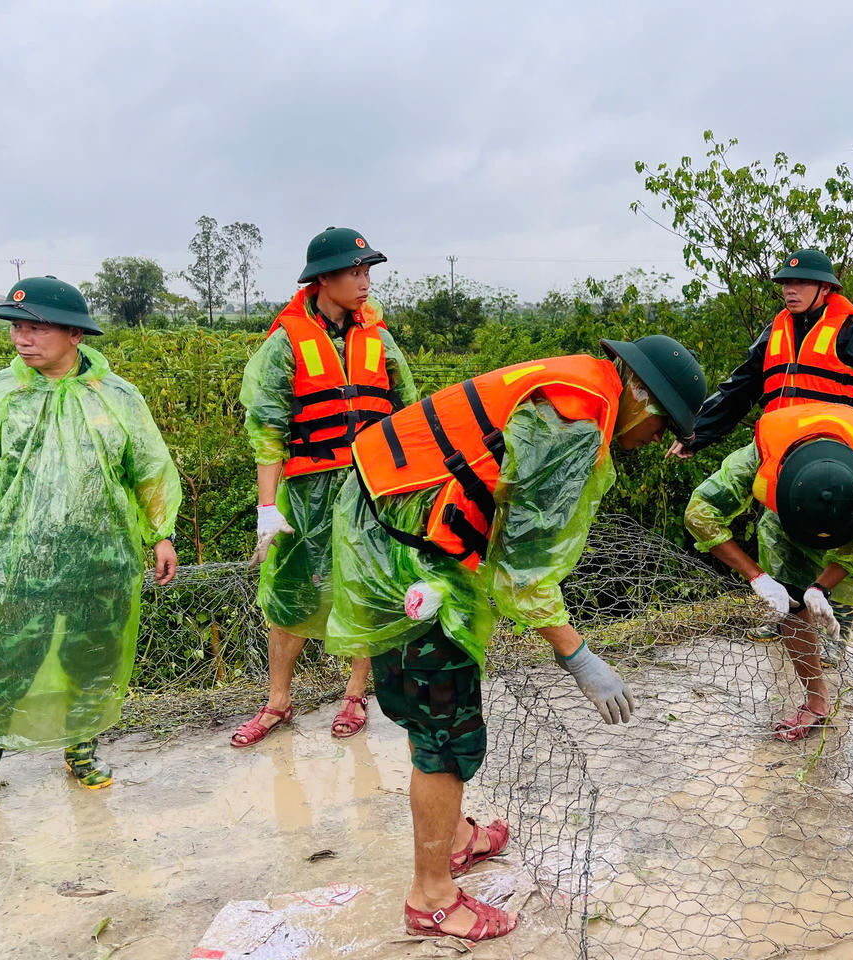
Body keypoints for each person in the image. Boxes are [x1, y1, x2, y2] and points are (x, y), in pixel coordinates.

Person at [327, 336, 707, 941]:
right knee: (444, 731)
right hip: (409, 556)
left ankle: (453, 839)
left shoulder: (583, 389)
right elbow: (521, 568)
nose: (657, 440)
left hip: (389, 527)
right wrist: (578, 656)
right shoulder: (573, 426)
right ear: (640, 394)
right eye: (663, 425)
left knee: (430, 713)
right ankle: (431, 898)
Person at [0, 276, 181, 822]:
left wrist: (160, 532)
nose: (22, 336)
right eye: (17, 326)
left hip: (102, 561)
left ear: (73, 332)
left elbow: (149, 468)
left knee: (90, 659)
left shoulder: (116, 397)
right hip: (15, 565)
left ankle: (81, 748)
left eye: (35, 326)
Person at [232, 227, 417, 747]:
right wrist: (268, 509)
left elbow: (407, 408)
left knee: (365, 588)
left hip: (370, 488)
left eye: (366, 272)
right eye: (353, 273)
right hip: (309, 490)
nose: (364, 283)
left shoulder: (378, 337)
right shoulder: (285, 342)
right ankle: (277, 703)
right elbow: (266, 428)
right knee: (293, 594)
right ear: (322, 279)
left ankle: (356, 694)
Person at [671, 249, 853, 657]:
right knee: (781, 533)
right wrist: (697, 434)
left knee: (836, 534)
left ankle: (836, 631)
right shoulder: (776, 328)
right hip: (782, 452)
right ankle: (786, 607)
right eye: (785, 284)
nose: (790, 290)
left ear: (825, 288)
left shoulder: (852, 329)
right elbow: (739, 387)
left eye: (800, 283)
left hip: (835, 453)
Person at [684, 401, 853, 768]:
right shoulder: (762, 453)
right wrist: (758, 578)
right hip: (790, 525)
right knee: (790, 602)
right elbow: (700, 513)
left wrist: (822, 586)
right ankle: (815, 701)